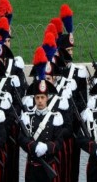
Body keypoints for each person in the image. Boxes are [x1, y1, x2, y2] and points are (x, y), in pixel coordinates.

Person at [19, 47, 64, 182]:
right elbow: (21, 138)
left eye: (42, 98)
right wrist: (33, 146)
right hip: (32, 167)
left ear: (47, 98)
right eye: (37, 97)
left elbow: (59, 141)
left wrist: (47, 147)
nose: (39, 101)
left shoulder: (55, 117)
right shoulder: (28, 116)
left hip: (49, 165)